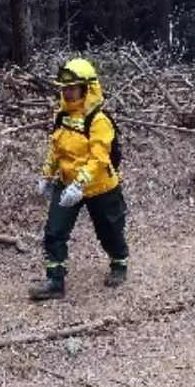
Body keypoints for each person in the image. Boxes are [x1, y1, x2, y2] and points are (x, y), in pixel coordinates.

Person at [29, 58, 129, 301]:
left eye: (72, 88)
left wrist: (80, 183)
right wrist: (46, 174)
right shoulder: (62, 116)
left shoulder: (99, 120)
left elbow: (99, 158)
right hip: (67, 183)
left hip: (99, 186)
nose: (67, 92)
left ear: (87, 88)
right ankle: (55, 282)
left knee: (109, 229)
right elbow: (57, 149)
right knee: (55, 230)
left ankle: (119, 264)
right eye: (65, 88)